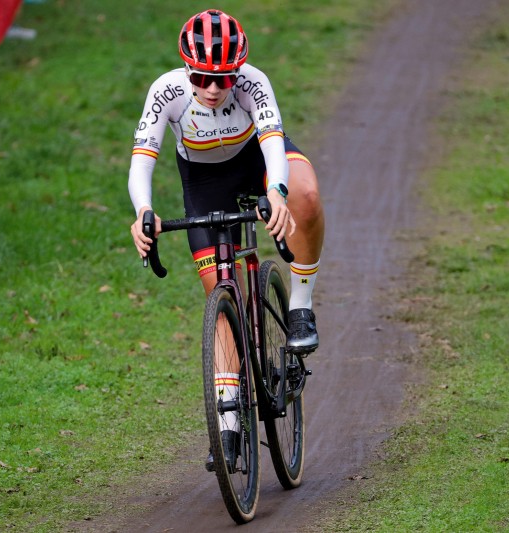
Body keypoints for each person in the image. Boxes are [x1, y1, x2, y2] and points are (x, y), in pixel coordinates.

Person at [128, 9, 325, 471]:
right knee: (221, 298)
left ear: (237, 72)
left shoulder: (254, 81)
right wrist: (143, 213)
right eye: (202, 77)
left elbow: (274, 142)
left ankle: (299, 306)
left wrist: (276, 193)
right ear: (186, 69)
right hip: (203, 183)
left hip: (255, 159)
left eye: (223, 78)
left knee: (307, 195)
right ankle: (230, 418)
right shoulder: (167, 92)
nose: (214, 89)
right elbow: (143, 161)